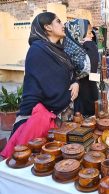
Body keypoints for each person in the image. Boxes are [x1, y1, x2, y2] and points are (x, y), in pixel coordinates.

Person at [1, 12, 79, 158]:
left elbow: (71, 72)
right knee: (35, 158)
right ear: (48, 27)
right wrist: (65, 96)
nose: (63, 25)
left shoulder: (59, 51)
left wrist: (75, 83)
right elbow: (43, 85)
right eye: (59, 21)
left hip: (62, 113)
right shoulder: (38, 50)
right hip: (43, 115)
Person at [64, 19, 99, 117]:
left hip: (89, 97)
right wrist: (91, 44)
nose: (92, 35)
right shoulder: (69, 53)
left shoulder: (83, 50)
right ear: (78, 35)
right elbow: (90, 68)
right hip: (79, 103)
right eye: (89, 33)